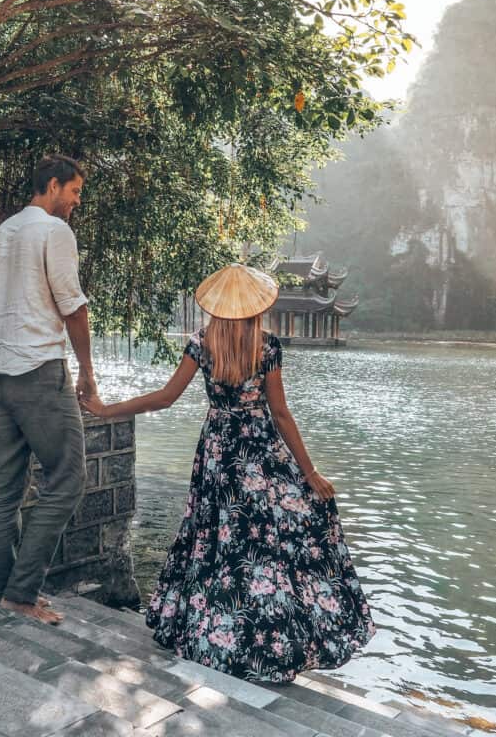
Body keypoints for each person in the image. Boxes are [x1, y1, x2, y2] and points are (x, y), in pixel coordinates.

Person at [81, 263, 375, 681]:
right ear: (256, 307)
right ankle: (265, 642)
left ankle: (213, 634)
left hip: (218, 453)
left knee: (214, 539)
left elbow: (166, 398)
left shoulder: (202, 343)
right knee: (264, 547)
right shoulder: (267, 345)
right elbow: (281, 414)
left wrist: (108, 409)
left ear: (218, 306)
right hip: (260, 453)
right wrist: (308, 473)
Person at [0, 154, 96, 625]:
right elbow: (73, 307)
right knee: (68, 478)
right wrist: (87, 371)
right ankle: (22, 594)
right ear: (52, 185)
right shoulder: (53, 232)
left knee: (5, 488)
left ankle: (2, 593)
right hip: (37, 370)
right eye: (74, 192)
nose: (76, 202)